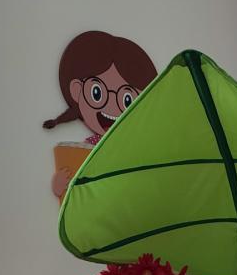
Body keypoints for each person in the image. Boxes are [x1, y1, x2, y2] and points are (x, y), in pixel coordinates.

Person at [42, 32, 157, 199]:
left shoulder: (138, 145)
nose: (112, 105)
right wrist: (59, 186)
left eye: (127, 100)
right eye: (97, 93)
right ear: (77, 90)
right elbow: (80, 185)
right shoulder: (87, 149)